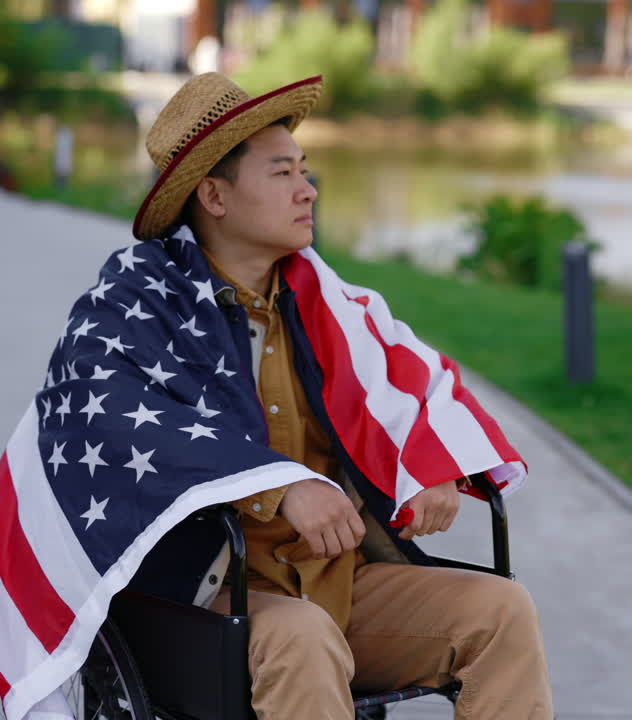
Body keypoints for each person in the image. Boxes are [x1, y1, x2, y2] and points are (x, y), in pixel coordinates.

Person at [122, 73, 555, 718]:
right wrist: (280, 488)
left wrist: (430, 462)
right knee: (304, 637)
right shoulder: (140, 312)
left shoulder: (328, 305)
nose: (308, 190)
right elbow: (132, 433)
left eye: (305, 169)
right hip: (208, 597)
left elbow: (416, 380)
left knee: (499, 611)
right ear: (213, 194)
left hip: (336, 586)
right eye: (282, 174)